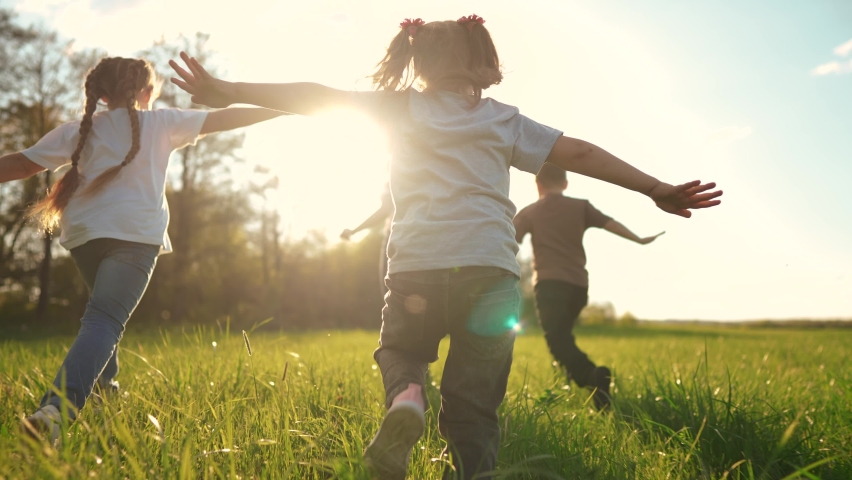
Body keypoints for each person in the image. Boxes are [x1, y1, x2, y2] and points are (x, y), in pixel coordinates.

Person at [168, 14, 722, 479]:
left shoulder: (398, 107)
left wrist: (232, 90)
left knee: (402, 354)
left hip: (417, 269)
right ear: (481, 61)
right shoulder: (504, 120)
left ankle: (407, 397)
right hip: (490, 275)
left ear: (417, 63)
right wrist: (655, 188)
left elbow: (317, 97)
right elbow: (579, 151)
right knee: (475, 406)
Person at [0, 57, 286, 443]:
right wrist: (290, 103)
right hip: (134, 236)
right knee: (104, 321)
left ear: (100, 95)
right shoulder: (162, 122)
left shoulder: (79, 130)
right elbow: (229, 120)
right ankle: (56, 410)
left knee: (103, 316)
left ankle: (106, 394)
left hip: (85, 236)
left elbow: (19, 164)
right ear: (147, 93)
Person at [514, 163, 665, 409]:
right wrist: (638, 239)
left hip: (550, 285)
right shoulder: (581, 207)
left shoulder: (531, 211)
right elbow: (610, 223)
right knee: (563, 338)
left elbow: (509, 238)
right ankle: (580, 387)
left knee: (557, 340)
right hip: (578, 287)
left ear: (537, 185)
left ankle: (593, 377)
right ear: (565, 184)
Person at [340, 182, 393, 295]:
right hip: (432, 236)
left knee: (389, 294)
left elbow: (385, 210)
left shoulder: (394, 174)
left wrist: (354, 230)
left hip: (396, 237)